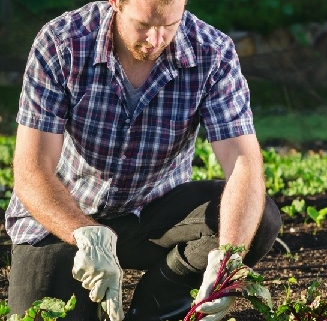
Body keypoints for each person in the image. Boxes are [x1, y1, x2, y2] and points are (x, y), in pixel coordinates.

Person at [5, 0, 282, 320]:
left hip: (154, 213)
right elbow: (32, 168)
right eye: (144, 25)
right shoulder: (62, 43)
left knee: (258, 219)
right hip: (67, 217)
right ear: (116, 3)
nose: (156, 40)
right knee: (46, 315)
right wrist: (85, 233)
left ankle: (160, 305)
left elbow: (242, 161)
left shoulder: (212, 52)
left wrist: (227, 258)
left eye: (169, 25)